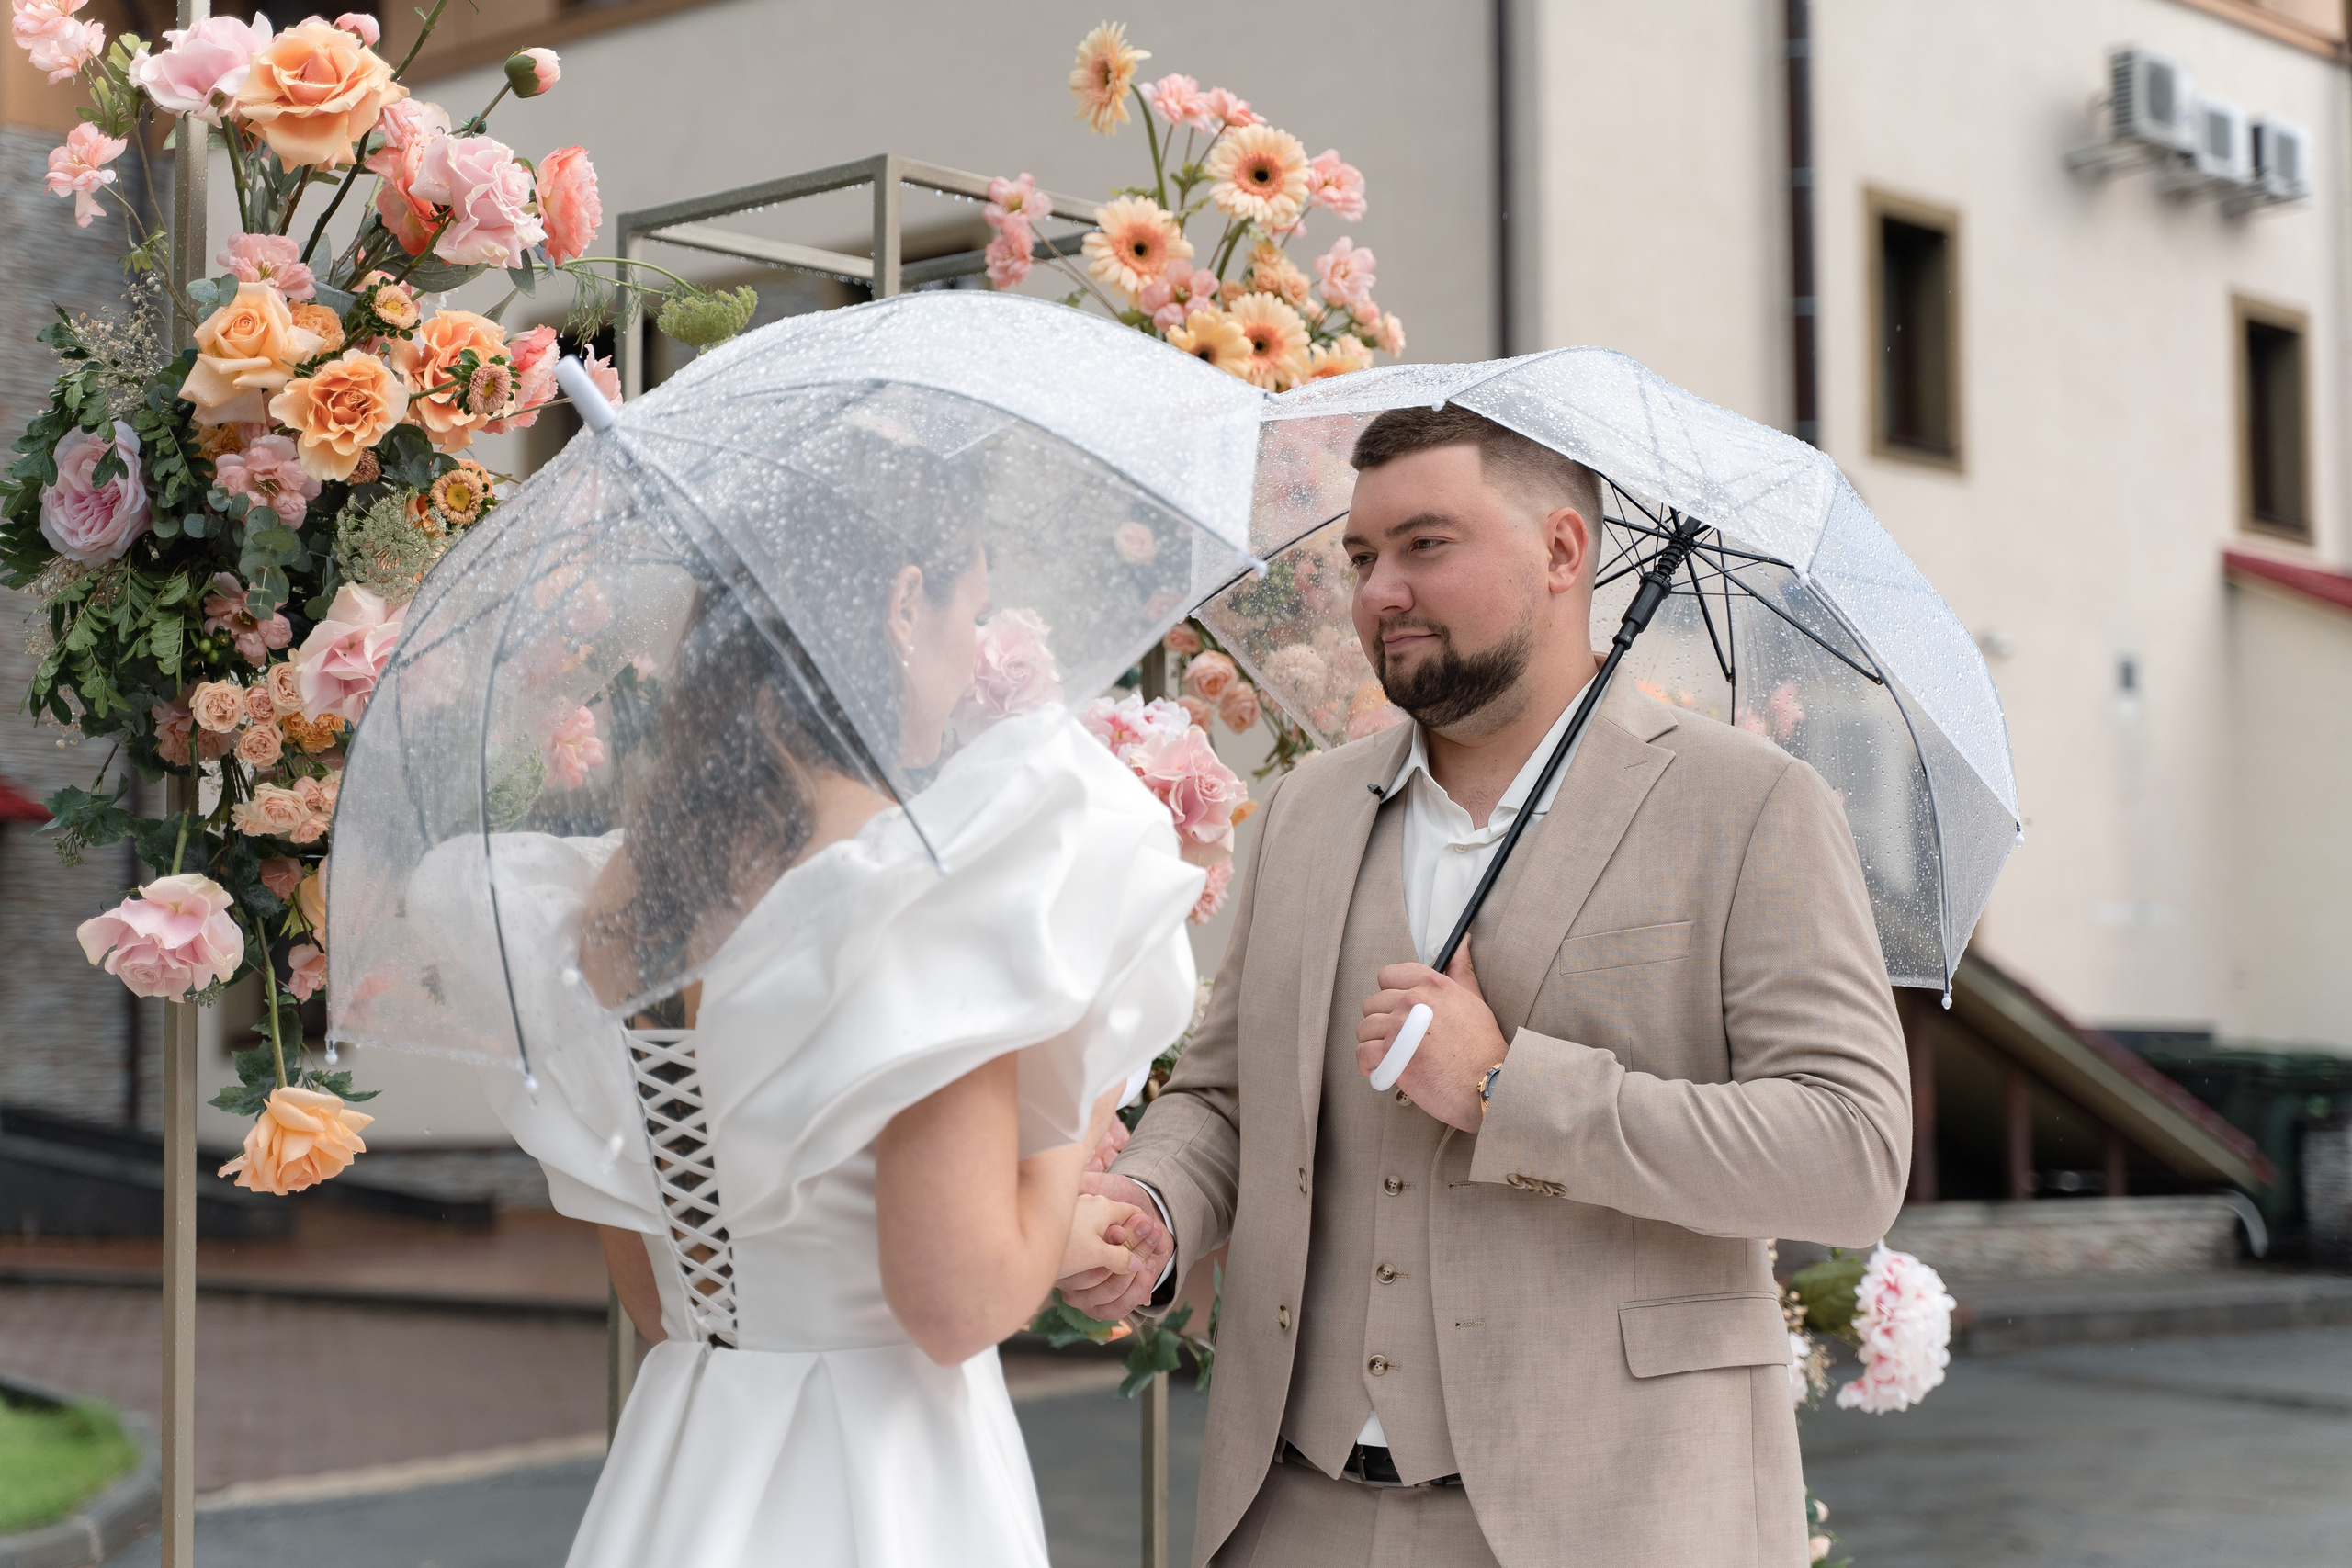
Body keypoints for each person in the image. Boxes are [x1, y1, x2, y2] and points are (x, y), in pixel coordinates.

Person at [1057, 404, 1911, 1567]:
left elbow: (1850, 1155)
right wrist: (1153, 1214)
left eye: (1425, 546)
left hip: (1614, 1516)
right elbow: (1220, 1099)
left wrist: (1510, 1088)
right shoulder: (1309, 810)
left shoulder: (1750, 806)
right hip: (1289, 1509)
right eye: (1361, 556)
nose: (1377, 593)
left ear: (1563, 554)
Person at [435, 495, 1202, 1566]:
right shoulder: (920, 886)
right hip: (883, 1479)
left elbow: (660, 1297)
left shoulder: (628, 892)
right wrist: (1065, 1106)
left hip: (689, 1460)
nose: (974, 657)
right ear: (900, 605)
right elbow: (954, 1302)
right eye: (970, 614)